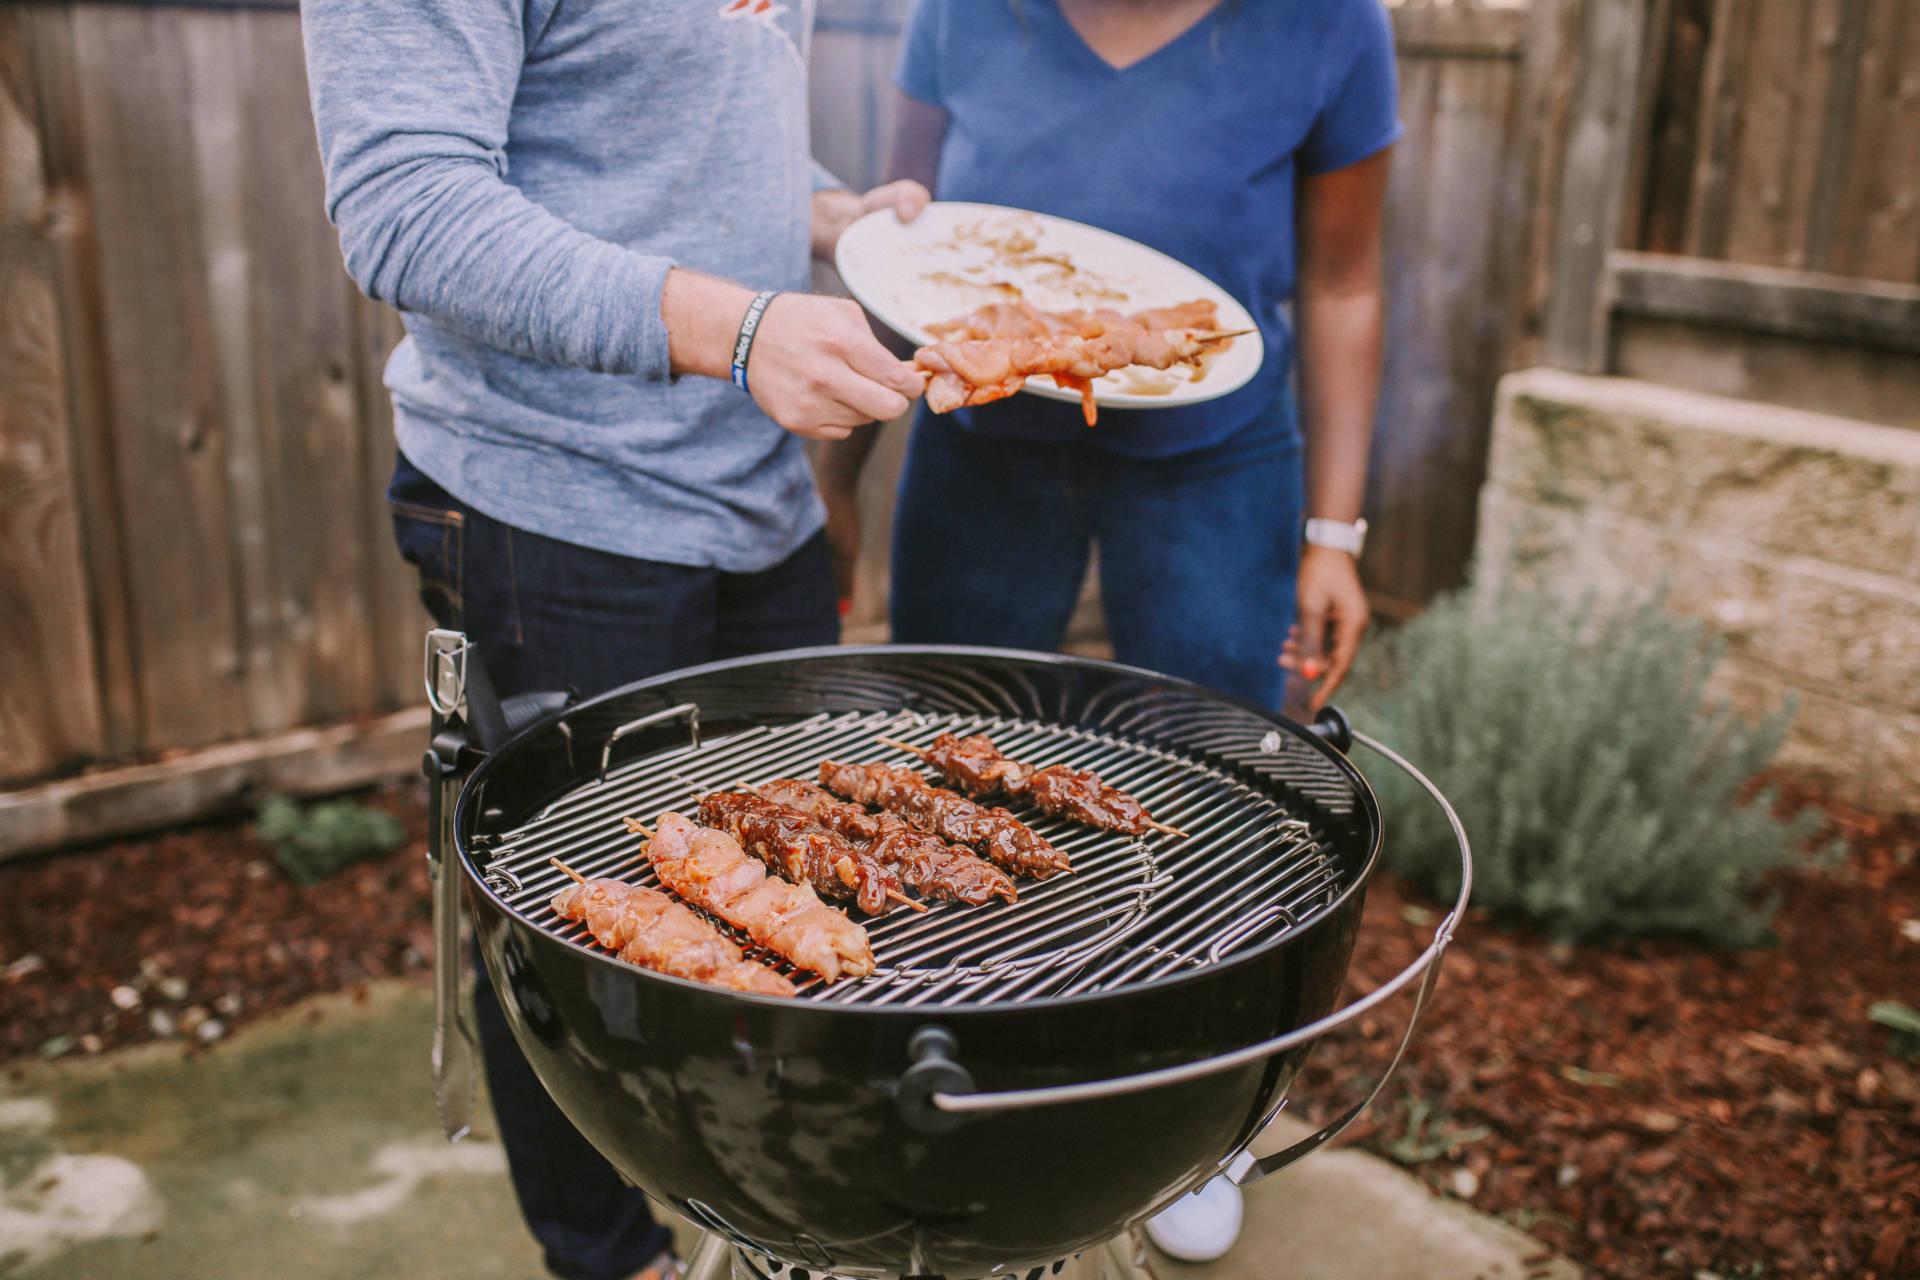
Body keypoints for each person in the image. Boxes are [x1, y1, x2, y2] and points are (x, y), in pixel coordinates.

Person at [301, 5, 927, 1278]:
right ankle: (609, 1254)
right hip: (554, 508)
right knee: (577, 931)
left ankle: (776, 1228)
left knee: (804, 898)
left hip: (758, 496)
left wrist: (816, 210)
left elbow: (659, 117)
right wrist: (741, 329)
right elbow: (406, 202)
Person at [817, 0, 1398, 1261]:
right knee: (946, 768)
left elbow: (1346, 280)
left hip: (1221, 460)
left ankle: (1198, 1118)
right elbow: (891, 252)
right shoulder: (960, 13)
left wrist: (1334, 534)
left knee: (1228, 785)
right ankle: (959, 1065)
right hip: (980, 455)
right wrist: (837, 483)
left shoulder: (1328, 25)